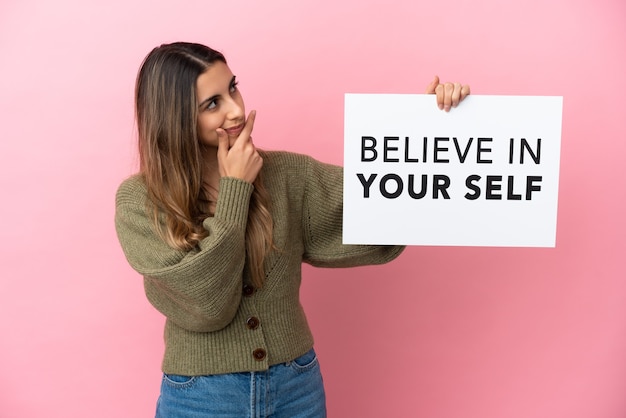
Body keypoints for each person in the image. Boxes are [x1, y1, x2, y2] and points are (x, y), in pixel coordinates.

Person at [115, 41, 470, 418]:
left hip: (296, 387)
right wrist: (237, 189)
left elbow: (384, 201)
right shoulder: (140, 202)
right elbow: (205, 306)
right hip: (201, 397)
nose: (236, 109)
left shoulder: (287, 175)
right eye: (212, 104)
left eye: (233, 87)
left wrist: (433, 128)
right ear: (174, 118)